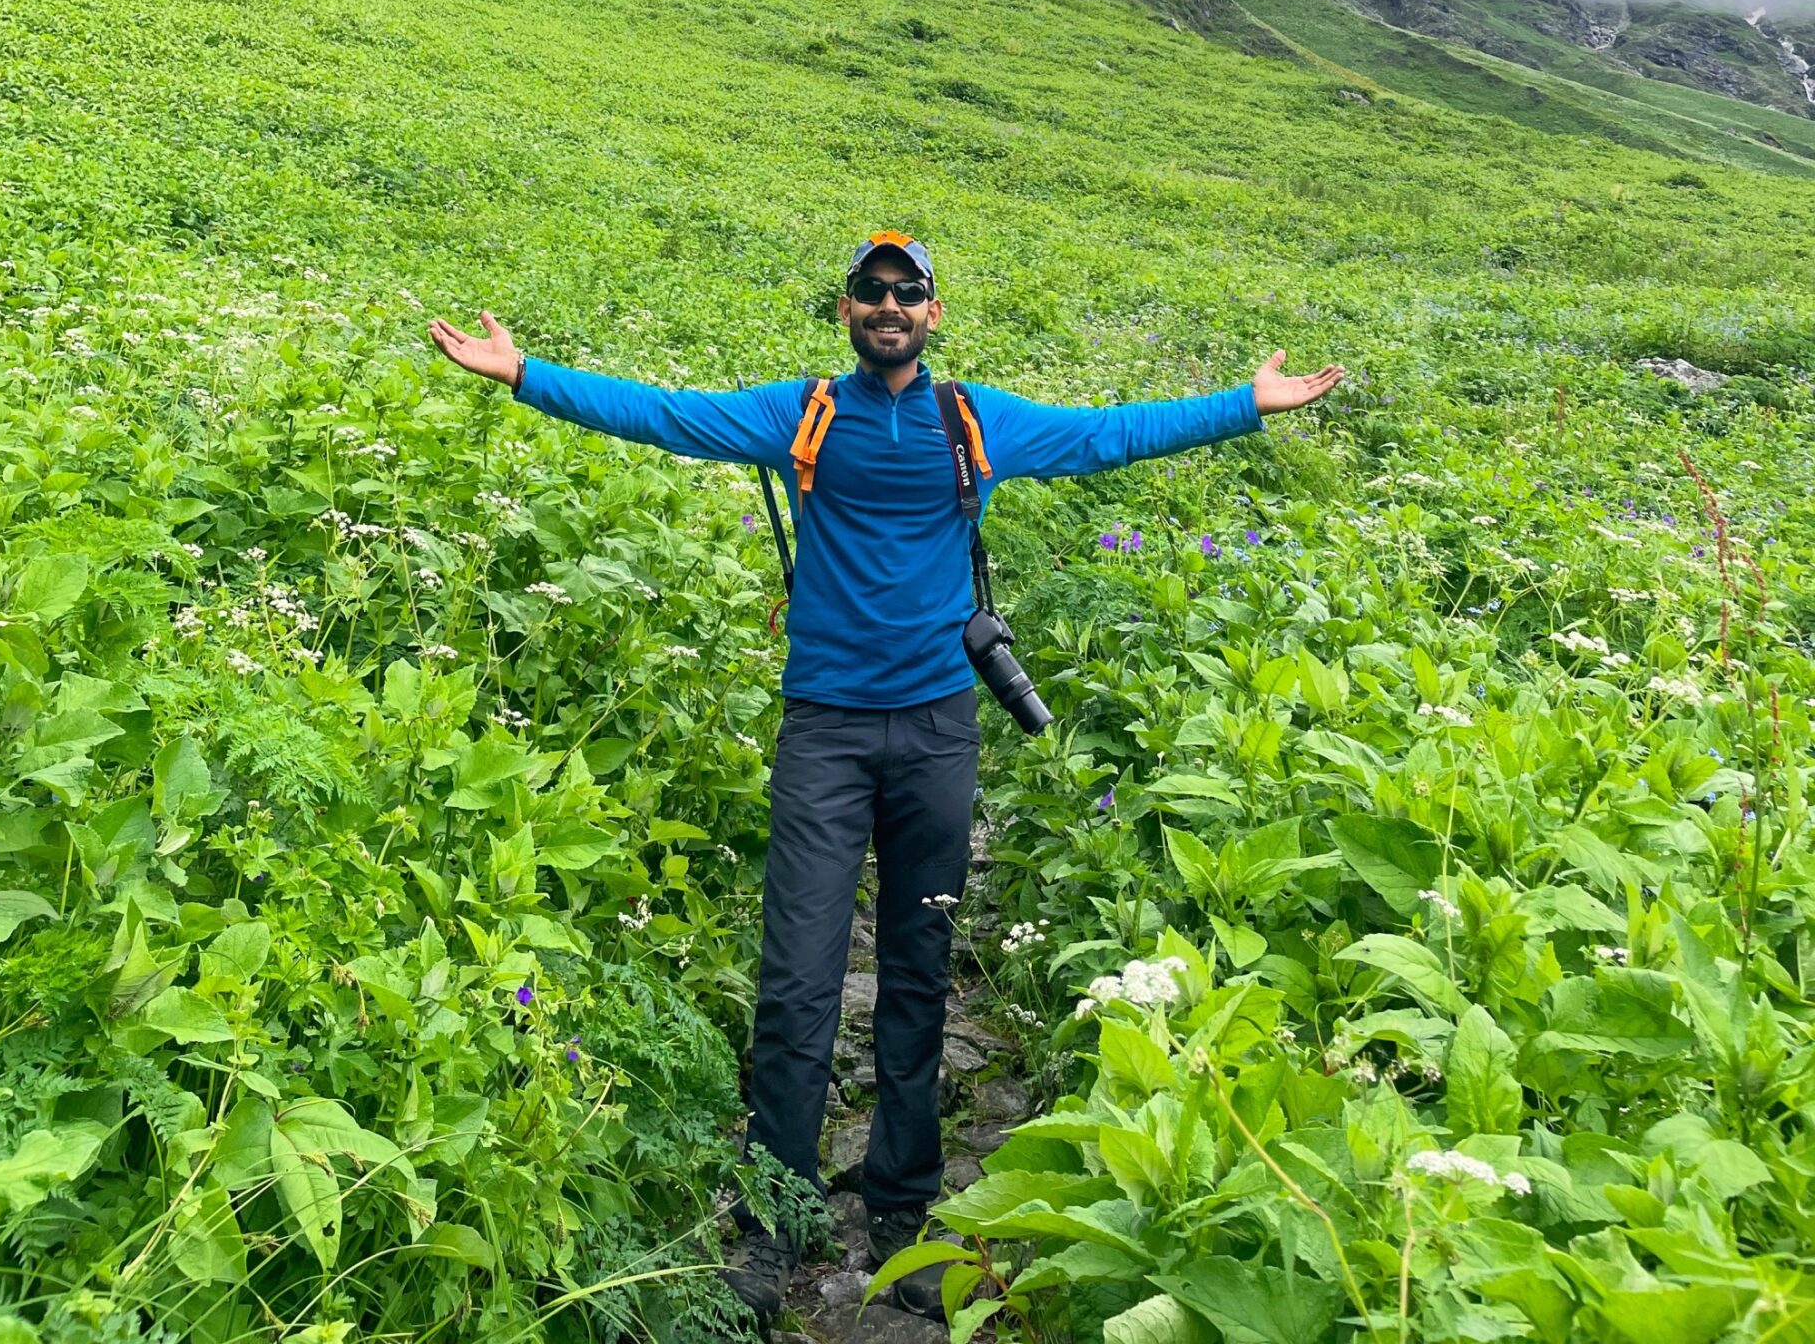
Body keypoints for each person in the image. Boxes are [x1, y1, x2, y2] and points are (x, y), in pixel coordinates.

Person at [429, 233, 1342, 1326]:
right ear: (848, 311)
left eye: (908, 292)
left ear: (934, 312)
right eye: (871, 290)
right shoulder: (800, 414)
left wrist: (1246, 403)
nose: (889, 304)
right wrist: (526, 375)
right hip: (823, 727)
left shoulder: (974, 421)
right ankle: (774, 1229)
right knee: (799, 978)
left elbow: (1109, 435)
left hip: (939, 730)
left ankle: (902, 1221)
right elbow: (666, 412)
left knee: (917, 970)